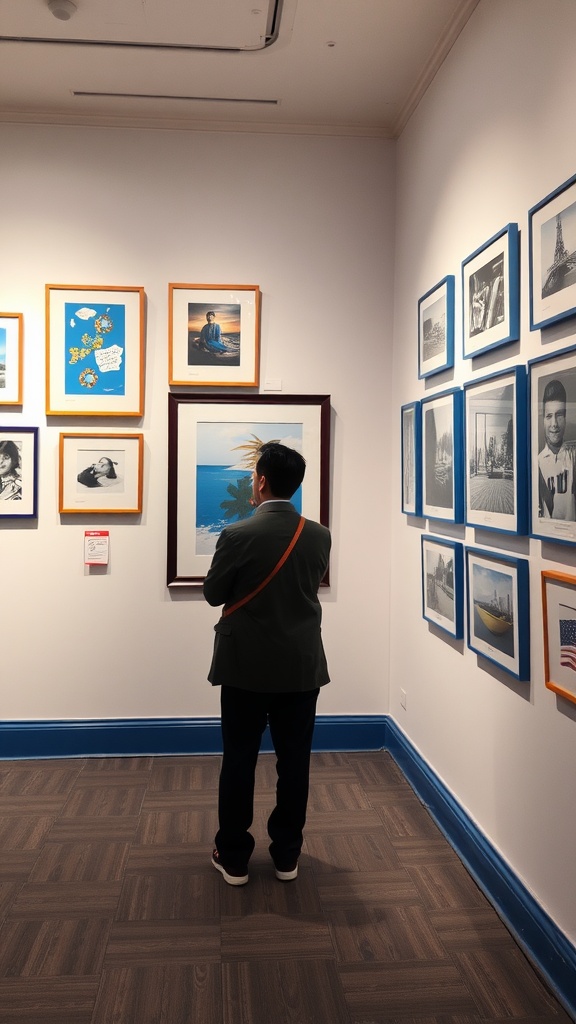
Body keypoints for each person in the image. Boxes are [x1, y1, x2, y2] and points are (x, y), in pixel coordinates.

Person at [203, 442, 331, 886]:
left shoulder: (237, 535)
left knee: (238, 759)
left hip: (245, 668)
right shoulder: (319, 535)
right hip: (300, 668)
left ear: (260, 481)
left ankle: (234, 856)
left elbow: (214, 593)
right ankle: (286, 857)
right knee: (294, 764)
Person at [538, 378, 576, 520]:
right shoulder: (537, 463)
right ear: (543, 420)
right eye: (549, 416)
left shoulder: (573, 456)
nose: (554, 424)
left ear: (565, 417)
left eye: (559, 415)